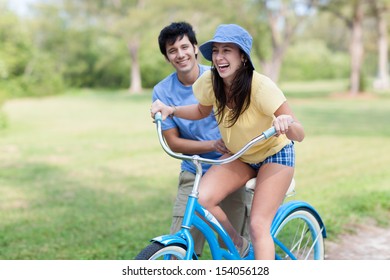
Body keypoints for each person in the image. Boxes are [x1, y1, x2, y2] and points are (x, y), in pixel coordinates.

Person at [151, 24, 305, 260]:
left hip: (274, 154)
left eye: (227, 51)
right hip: (241, 154)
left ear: (242, 56)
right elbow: (201, 111)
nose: (219, 57)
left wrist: (286, 122)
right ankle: (238, 245)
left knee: (258, 225)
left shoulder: (261, 87)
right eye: (215, 51)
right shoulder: (209, 81)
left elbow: (299, 133)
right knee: (202, 199)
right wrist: (172, 110)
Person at [152, 22, 249, 257]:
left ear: (195, 48)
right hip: (193, 171)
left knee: (232, 249)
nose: (180, 54)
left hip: (229, 166)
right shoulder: (162, 92)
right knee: (181, 248)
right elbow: (174, 142)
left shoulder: (219, 76)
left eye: (185, 46)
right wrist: (211, 145)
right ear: (167, 57)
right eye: (172, 50)